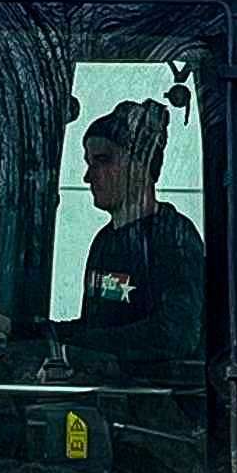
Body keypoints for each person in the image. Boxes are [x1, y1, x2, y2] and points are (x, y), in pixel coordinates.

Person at [65, 100, 204, 379]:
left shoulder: (173, 238)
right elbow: (94, 327)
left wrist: (77, 349)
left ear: (140, 164)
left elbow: (175, 335)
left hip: (164, 406)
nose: (88, 177)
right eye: (89, 163)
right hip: (110, 395)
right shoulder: (105, 242)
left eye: (103, 161)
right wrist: (25, 332)